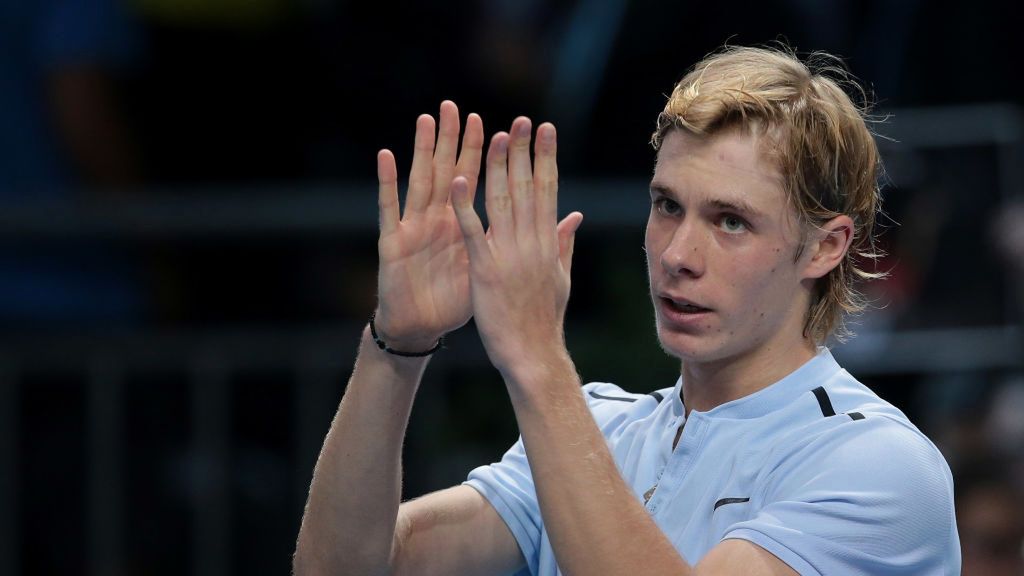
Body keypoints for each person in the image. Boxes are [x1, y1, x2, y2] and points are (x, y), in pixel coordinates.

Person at [293, 45, 960, 575]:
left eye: (730, 221)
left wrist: (536, 359)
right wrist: (396, 346)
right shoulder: (600, 430)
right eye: (668, 205)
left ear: (825, 247)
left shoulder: (879, 464)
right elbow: (338, 568)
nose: (678, 254)